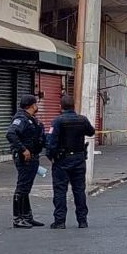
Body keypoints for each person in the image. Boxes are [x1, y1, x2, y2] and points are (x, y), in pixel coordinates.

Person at [46, 95, 96, 229]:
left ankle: (60, 221)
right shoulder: (82, 120)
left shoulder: (58, 121)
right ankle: (82, 221)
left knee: (60, 190)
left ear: (60, 106)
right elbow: (91, 132)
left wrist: (51, 156)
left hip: (62, 160)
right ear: (74, 106)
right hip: (79, 159)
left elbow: (51, 142)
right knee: (79, 190)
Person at [6, 94, 46, 229]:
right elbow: (11, 134)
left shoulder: (30, 119)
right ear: (31, 105)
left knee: (26, 188)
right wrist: (24, 150)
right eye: (36, 103)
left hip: (33, 157)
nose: (37, 106)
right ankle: (18, 218)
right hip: (25, 158)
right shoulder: (21, 119)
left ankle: (27, 216)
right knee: (22, 188)